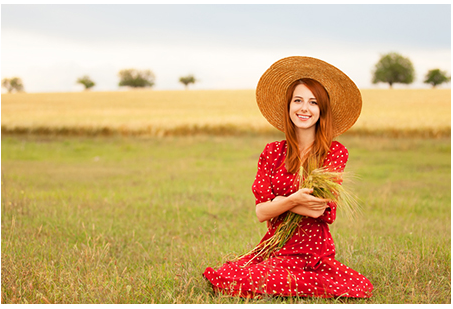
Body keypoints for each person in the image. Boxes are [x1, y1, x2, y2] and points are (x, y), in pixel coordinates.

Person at [203, 56, 373, 298]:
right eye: (298, 100)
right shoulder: (272, 152)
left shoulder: (334, 152)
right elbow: (261, 213)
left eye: (313, 102)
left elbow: (317, 210)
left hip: (313, 251)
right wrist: (294, 200)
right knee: (228, 274)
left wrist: (278, 204)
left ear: (321, 110)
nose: (304, 108)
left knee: (253, 279)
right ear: (289, 106)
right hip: (274, 246)